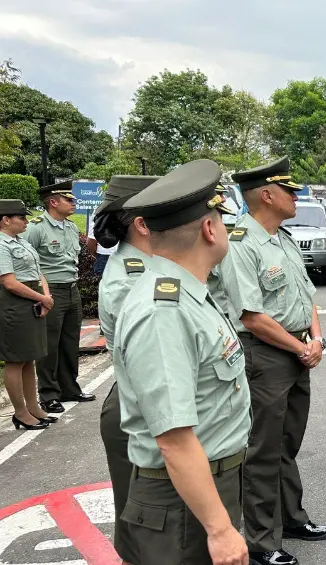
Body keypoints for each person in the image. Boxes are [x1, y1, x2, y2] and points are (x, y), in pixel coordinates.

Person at [114, 159, 251, 565]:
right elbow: (173, 439)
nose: (224, 228)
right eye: (222, 219)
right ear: (209, 229)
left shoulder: (187, 294)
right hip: (183, 504)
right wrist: (220, 530)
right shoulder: (164, 311)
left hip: (202, 489)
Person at [219, 156, 326, 565]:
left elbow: (307, 298)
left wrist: (315, 339)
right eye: (290, 189)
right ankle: (262, 541)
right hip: (267, 355)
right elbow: (251, 316)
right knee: (263, 449)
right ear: (267, 195)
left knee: (287, 442)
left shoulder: (282, 238)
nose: (296, 195)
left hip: (298, 351)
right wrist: (300, 347)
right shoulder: (242, 245)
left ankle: (291, 517)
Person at [94, 175, 159, 565]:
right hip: (140, 406)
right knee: (142, 523)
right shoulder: (130, 279)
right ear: (141, 222)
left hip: (148, 400)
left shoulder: (155, 266)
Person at [23, 181, 95, 414]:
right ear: (53, 202)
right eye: (69, 200)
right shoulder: (36, 228)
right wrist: (41, 294)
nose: (74, 203)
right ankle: (48, 394)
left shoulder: (71, 227)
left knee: (70, 342)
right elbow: (26, 262)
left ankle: (69, 388)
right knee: (49, 345)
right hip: (50, 290)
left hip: (71, 289)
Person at [0, 199, 56, 431]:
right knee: (15, 359)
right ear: (5, 220)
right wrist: (41, 298)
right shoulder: (1, 245)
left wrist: (46, 296)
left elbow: (38, 271)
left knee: (29, 357)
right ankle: (21, 412)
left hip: (33, 299)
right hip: (14, 304)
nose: (25, 221)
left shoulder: (20, 241)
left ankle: (33, 407)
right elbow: (9, 282)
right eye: (21, 218)